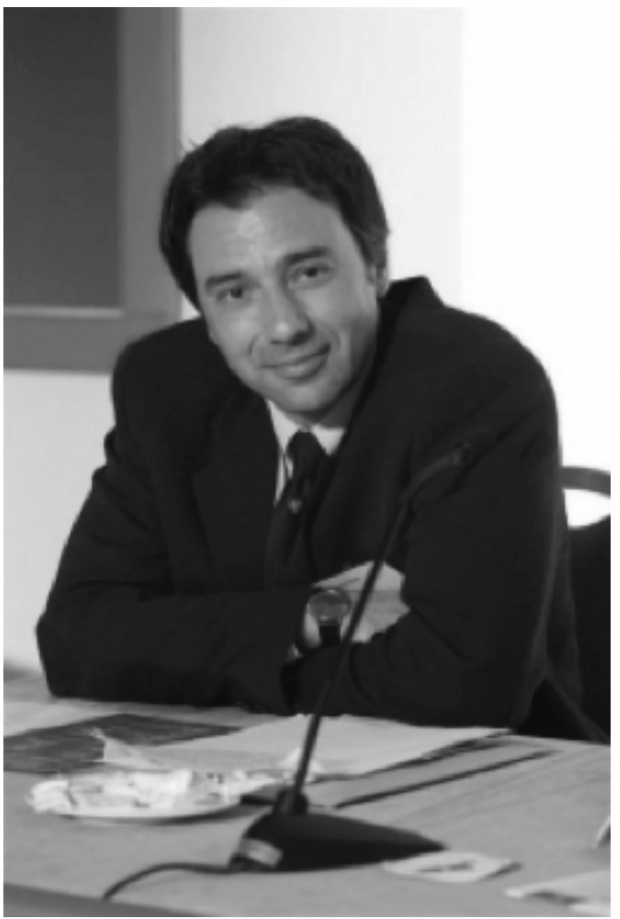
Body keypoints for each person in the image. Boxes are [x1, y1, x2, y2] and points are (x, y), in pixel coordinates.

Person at [37, 116, 594, 739]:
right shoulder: (166, 387)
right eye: (234, 292)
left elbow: (464, 687)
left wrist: (217, 662)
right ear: (206, 317)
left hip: (499, 773)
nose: (283, 327)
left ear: (375, 265)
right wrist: (319, 616)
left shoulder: (474, 384)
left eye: (308, 273)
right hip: (245, 766)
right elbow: (76, 641)